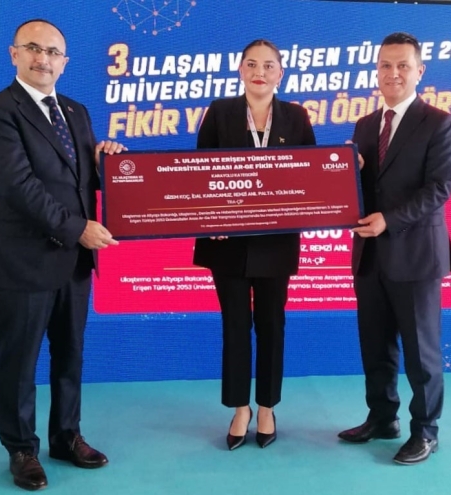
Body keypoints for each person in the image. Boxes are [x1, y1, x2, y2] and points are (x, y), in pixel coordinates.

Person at [0, 19, 125, 490]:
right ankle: (21, 449)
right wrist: (78, 229)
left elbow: (77, 182)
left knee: (70, 355)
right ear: (14, 54)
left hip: (73, 264)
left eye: (53, 52)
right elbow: (18, 186)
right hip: (23, 261)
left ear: (65, 62)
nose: (43, 59)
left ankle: (66, 436)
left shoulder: (76, 112)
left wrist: (106, 163)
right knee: (19, 363)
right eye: (34, 49)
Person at [337, 32, 451, 465]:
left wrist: (389, 219)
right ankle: (381, 417)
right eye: (385, 65)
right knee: (375, 345)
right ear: (376, 71)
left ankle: (426, 431)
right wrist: (345, 176)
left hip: (416, 254)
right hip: (370, 254)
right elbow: (362, 186)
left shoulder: (439, 122)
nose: (393, 73)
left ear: (419, 71)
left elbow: (440, 188)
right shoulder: (365, 125)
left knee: (422, 352)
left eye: (402, 65)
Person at [193, 39, 316, 451]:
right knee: (234, 325)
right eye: (251, 64)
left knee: (271, 324)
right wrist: (212, 218)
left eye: (268, 65)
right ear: (240, 69)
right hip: (227, 241)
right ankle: (239, 408)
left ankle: (266, 407)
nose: (259, 72)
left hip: (276, 242)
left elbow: (310, 174)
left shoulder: (296, 116)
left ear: (280, 73)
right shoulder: (220, 111)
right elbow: (201, 172)